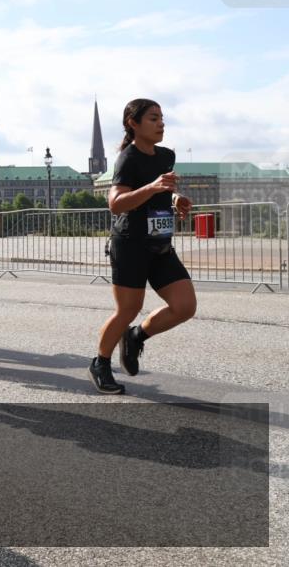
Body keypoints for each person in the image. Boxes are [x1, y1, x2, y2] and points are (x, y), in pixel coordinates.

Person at [89, 99, 196, 394]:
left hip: (160, 245)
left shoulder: (166, 155)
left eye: (162, 118)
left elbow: (162, 192)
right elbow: (115, 203)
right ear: (133, 124)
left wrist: (175, 199)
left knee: (185, 306)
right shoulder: (128, 158)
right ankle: (100, 362)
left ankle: (136, 337)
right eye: (153, 118)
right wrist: (153, 187)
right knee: (128, 309)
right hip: (131, 245)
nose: (161, 123)